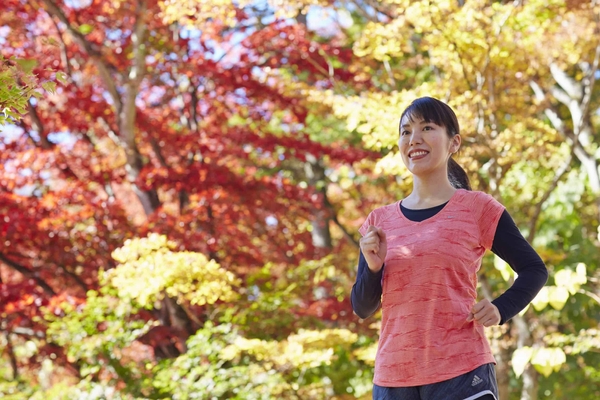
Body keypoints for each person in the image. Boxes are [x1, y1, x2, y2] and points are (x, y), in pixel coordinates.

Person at [351, 97, 548, 400]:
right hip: (392, 379)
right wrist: (374, 268)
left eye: (427, 128)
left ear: (454, 142)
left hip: (462, 372)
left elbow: (534, 269)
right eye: (406, 132)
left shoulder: (477, 208)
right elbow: (362, 308)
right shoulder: (379, 221)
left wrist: (502, 308)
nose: (414, 139)